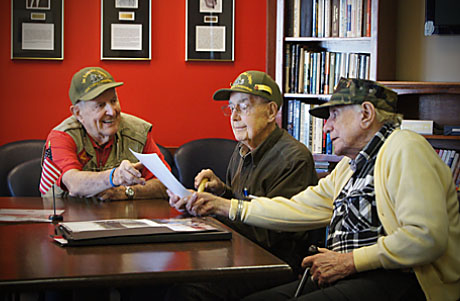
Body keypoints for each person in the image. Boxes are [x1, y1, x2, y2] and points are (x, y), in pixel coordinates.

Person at [171, 78, 460, 300]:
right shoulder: (350, 167)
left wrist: (349, 262)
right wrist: (224, 205)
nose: (326, 127)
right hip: (355, 273)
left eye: (334, 115)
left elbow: (425, 238)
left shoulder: (405, 148)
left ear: (366, 114)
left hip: (404, 281)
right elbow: (298, 207)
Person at [166, 70, 319, 300]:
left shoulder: (294, 159)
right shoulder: (242, 149)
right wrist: (220, 191)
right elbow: (243, 204)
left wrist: (216, 206)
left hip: (273, 264)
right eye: (231, 108)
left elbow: (269, 232)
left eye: (243, 107)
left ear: (270, 112)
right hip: (238, 253)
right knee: (172, 275)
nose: (234, 116)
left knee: (189, 289)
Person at [42, 66, 169, 201]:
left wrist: (127, 191)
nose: (112, 111)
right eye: (100, 105)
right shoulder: (62, 136)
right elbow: (73, 184)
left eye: (113, 101)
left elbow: (166, 183)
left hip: (121, 219)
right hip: (67, 218)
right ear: (78, 113)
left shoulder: (137, 132)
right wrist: (114, 177)